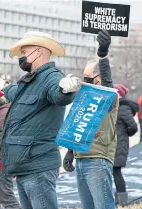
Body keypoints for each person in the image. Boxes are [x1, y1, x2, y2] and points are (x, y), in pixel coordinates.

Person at [0, 31, 81, 209]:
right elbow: (16, 93)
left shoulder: (52, 77)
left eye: (24, 52)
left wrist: (67, 90)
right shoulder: (31, 81)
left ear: (38, 52)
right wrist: (4, 87)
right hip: (26, 165)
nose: (21, 57)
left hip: (38, 165)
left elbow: (59, 95)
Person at [63, 30, 118, 209]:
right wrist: (71, 151)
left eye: (89, 78)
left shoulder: (108, 97)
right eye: (83, 77)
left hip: (98, 159)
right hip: (82, 159)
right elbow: (77, 126)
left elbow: (108, 83)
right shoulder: (84, 99)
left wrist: (102, 56)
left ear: (99, 79)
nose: (85, 81)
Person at [113, 84, 139, 206]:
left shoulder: (123, 108)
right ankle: (118, 199)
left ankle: (122, 201)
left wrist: (124, 134)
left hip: (119, 144)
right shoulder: (116, 107)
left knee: (115, 171)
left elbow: (133, 126)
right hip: (115, 143)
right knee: (113, 171)